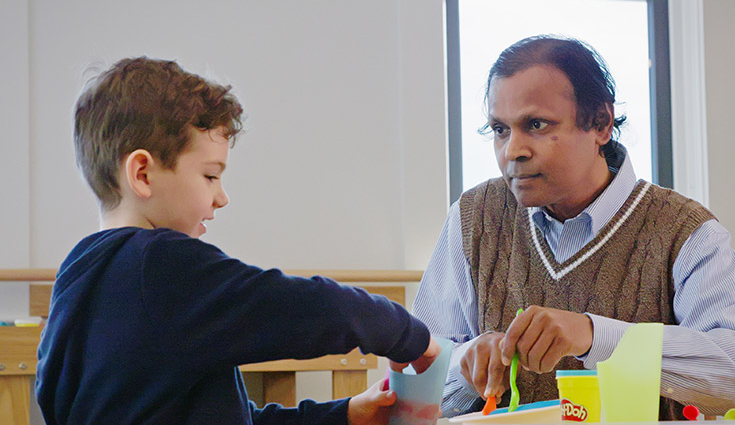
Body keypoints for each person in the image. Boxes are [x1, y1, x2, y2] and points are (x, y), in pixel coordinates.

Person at [36, 57, 439, 425]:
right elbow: (306, 308)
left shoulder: (76, 277)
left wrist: (342, 415)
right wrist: (405, 334)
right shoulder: (161, 265)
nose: (221, 197)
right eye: (210, 175)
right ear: (142, 173)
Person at [412, 36, 735, 419]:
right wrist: (462, 368)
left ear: (602, 124)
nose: (512, 150)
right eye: (500, 129)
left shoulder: (683, 230)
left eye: (536, 124)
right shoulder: (474, 218)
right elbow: (408, 383)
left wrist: (594, 336)